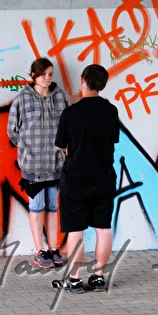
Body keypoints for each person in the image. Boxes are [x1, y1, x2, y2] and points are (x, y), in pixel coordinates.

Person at [52, 64, 120, 293]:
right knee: (103, 228)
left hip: (75, 179)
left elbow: (60, 145)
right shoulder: (110, 111)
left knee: (76, 230)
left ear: (82, 80)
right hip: (104, 178)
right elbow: (113, 139)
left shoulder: (71, 113)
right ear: (103, 85)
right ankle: (99, 277)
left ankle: (74, 279)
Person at [7, 57, 69, 269]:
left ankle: (53, 248)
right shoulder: (22, 99)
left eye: (50, 74)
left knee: (52, 207)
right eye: (43, 74)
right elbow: (12, 131)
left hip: (55, 164)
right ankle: (39, 250)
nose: (47, 78)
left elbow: (67, 127)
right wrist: (27, 148)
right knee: (36, 207)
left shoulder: (60, 97)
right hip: (32, 166)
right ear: (33, 75)